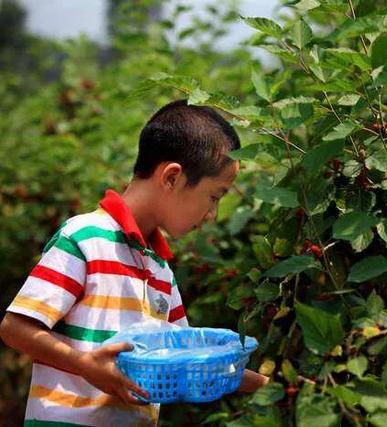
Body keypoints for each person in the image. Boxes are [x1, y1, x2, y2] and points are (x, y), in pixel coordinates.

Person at [0, 99, 269, 426]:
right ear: (172, 177)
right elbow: (15, 328)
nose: (212, 214)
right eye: (215, 196)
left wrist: (275, 388)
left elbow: (189, 360)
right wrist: (85, 364)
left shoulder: (160, 269)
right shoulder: (84, 238)